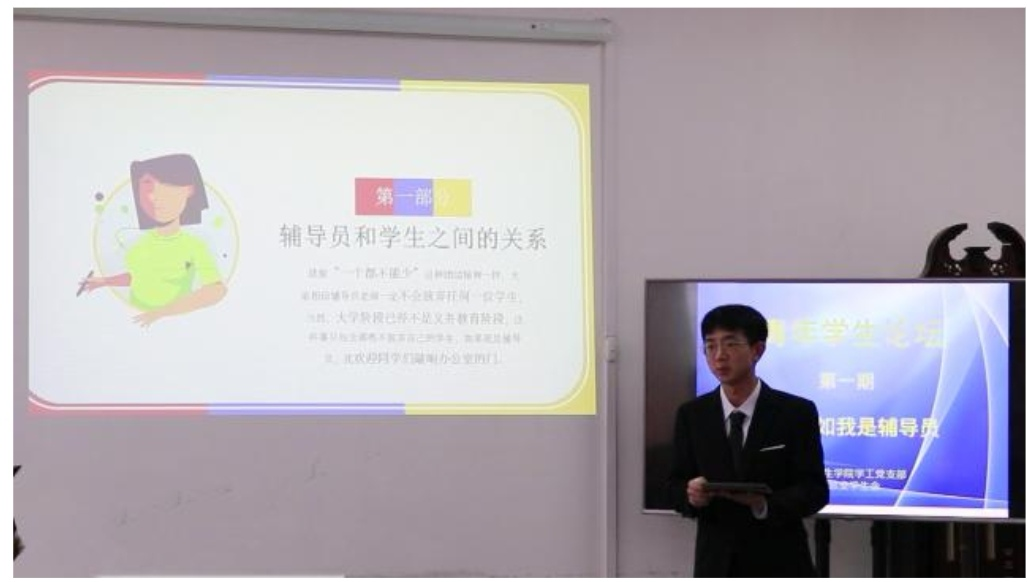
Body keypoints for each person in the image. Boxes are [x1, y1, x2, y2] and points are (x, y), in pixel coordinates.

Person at [668, 303, 828, 577]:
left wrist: (762, 504)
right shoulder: (692, 414)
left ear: (757, 350)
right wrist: (691, 495)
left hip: (780, 561)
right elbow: (673, 485)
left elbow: (815, 490)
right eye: (710, 346)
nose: (719, 356)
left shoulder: (795, 412)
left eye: (730, 344)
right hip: (716, 564)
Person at [81, 154, 227, 327]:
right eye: (147, 184)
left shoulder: (194, 246)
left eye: (168, 185)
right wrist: (104, 282)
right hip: (133, 323)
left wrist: (161, 313)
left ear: (189, 190)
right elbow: (141, 277)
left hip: (171, 327)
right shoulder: (139, 244)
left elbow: (216, 290)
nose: (154, 196)